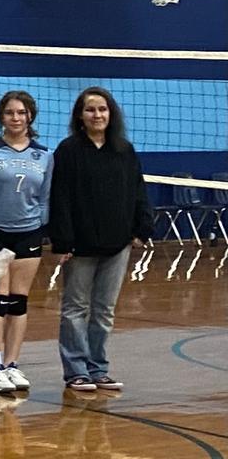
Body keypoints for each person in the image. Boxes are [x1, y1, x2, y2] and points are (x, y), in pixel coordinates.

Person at [50, 86, 151, 393]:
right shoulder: (68, 150)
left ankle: (98, 369)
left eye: (102, 109)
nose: (97, 115)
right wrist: (63, 241)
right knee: (75, 309)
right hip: (80, 246)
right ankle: (76, 372)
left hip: (117, 244)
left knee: (104, 310)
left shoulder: (124, 150)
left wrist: (141, 229)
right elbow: (60, 197)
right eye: (91, 109)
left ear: (111, 113)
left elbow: (137, 190)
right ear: (80, 116)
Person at [0, 90, 52, 395]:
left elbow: (46, 199)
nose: (15, 118)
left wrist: (44, 232)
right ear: (1, 117)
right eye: (9, 112)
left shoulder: (44, 155)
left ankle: (12, 364)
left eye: (21, 113)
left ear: (30, 116)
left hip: (29, 233)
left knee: (19, 300)